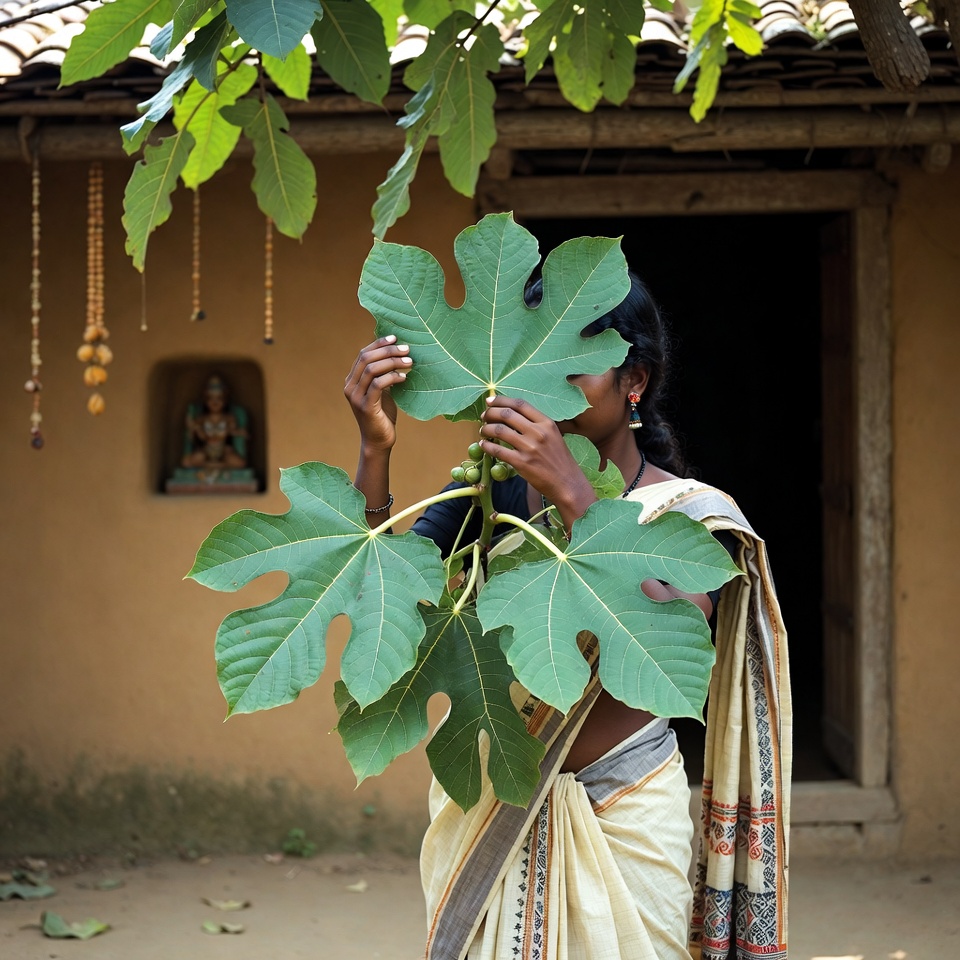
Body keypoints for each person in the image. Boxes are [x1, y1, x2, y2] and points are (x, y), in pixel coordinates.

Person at [343, 272, 792, 960]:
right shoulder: (490, 491)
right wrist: (376, 449)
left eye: (571, 371)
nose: (543, 394)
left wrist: (575, 493)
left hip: (629, 815)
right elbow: (383, 594)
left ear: (633, 380)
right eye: (531, 372)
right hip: (496, 806)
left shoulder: (690, 511)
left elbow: (677, 640)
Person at [181, 374, 249, 469]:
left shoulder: (228, 418)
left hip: (223, 449)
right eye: (211, 398)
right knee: (188, 462)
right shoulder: (203, 418)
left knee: (239, 463)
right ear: (206, 400)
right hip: (206, 449)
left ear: (225, 400)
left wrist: (238, 432)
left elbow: (231, 431)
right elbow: (199, 434)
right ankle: (213, 466)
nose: (215, 402)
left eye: (219, 398)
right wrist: (194, 428)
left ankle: (218, 466)